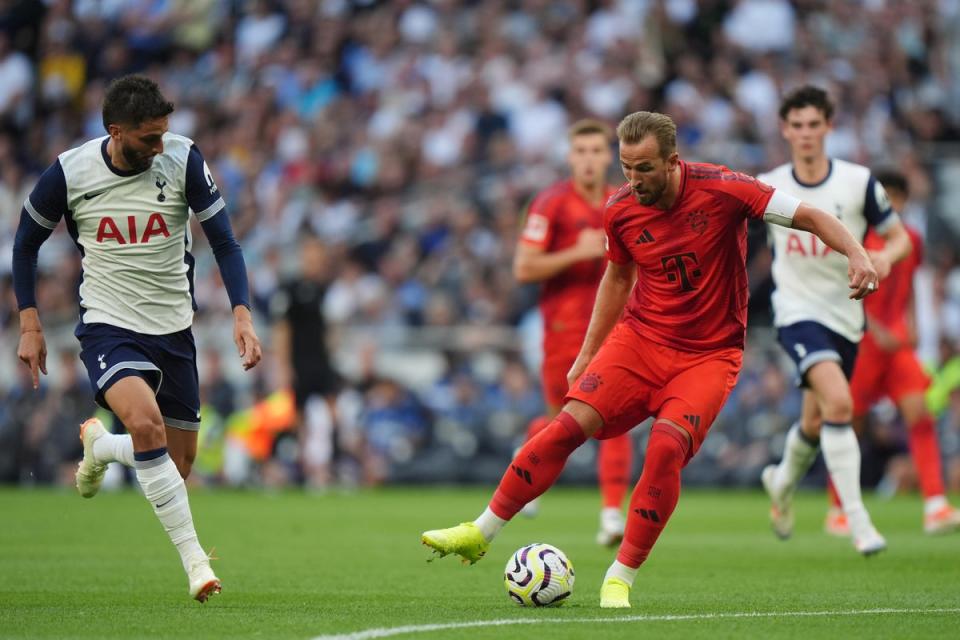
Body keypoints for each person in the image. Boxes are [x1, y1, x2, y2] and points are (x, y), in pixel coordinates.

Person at [421, 110, 878, 608]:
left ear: (672, 162)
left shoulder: (724, 187)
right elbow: (617, 278)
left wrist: (856, 252)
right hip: (639, 340)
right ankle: (480, 530)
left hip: (708, 354)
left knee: (664, 449)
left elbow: (809, 215)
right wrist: (588, 353)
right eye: (626, 167)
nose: (632, 180)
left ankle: (620, 577)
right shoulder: (620, 209)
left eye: (643, 169)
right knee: (566, 425)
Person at [12, 75, 262, 602]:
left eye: (164, 134)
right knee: (146, 425)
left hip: (174, 328)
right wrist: (30, 325)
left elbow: (226, 242)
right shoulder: (70, 171)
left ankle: (101, 446)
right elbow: (24, 245)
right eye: (149, 137)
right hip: (108, 324)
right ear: (116, 130)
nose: (159, 146)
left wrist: (241, 313)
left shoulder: (183, 158)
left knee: (178, 462)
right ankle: (197, 563)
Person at [759, 86, 912, 556]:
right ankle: (858, 522)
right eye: (796, 125)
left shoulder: (859, 181)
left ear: (829, 126)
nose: (805, 134)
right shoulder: (768, 185)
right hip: (796, 313)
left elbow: (899, 237)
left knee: (815, 419)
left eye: (813, 124)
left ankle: (780, 482)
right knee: (840, 404)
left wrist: (884, 259)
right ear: (785, 130)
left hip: (847, 314)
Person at [513, 118, 633, 546]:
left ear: (608, 156)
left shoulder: (622, 201)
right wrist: (575, 252)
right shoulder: (550, 204)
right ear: (570, 156)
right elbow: (524, 267)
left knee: (614, 421)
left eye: (595, 151)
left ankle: (611, 515)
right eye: (580, 151)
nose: (588, 159)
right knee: (560, 423)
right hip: (563, 333)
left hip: (615, 331)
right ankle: (527, 451)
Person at [824, 170, 960, 535]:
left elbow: (909, 285)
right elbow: (840, 290)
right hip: (863, 341)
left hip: (896, 344)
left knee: (920, 413)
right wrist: (875, 327)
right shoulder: (854, 238)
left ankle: (935, 505)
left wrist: (912, 322)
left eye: (896, 197)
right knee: (850, 422)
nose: (891, 204)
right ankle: (838, 509)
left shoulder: (909, 239)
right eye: (885, 197)